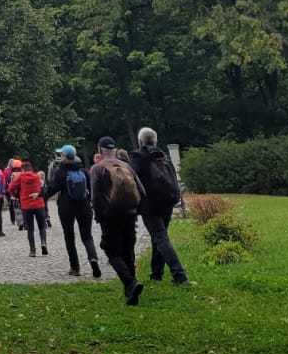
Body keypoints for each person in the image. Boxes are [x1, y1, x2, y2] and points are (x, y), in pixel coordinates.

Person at [90, 136, 147, 305]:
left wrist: (99, 215)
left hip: (110, 215)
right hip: (130, 214)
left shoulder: (97, 169)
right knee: (128, 250)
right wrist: (136, 210)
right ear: (115, 149)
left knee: (111, 251)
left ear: (100, 150)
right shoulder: (127, 167)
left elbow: (95, 196)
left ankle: (130, 283)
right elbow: (142, 191)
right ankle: (131, 291)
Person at [131, 127, 188, 285]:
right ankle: (157, 274)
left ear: (140, 141)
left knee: (160, 238)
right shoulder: (163, 156)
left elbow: (131, 177)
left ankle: (180, 275)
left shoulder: (138, 157)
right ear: (155, 141)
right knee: (159, 237)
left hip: (150, 205)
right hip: (167, 202)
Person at [43, 143, 101, 278]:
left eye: (61, 154)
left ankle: (75, 267)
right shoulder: (83, 171)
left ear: (64, 156)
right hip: (84, 206)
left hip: (66, 208)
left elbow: (52, 188)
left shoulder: (60, 171)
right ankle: (93, 258)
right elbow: (91, 189)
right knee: (87, 236)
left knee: (69, 237)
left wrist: (41, 196)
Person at [8, 160, 49, 257]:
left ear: (22, 169)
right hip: (39, 204)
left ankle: (32, 250)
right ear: (31, 168)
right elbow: (42, 188)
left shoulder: (21, 177)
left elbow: (11, 188)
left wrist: (16, 195)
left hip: (26, 206)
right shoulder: (36, 176)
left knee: (30, 229)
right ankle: (43, 243)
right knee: (42, 226)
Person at [6, 157, 24, 230]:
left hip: (15, 195)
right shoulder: (23, 173)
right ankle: (25, 221)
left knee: (17, 210)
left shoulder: (12, 174)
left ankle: (20, 222)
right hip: (22, 194)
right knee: (23, 208)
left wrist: (11, 193)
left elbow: (9, 184)